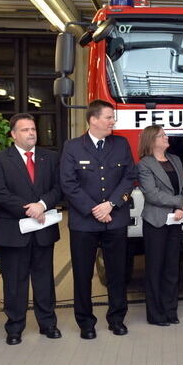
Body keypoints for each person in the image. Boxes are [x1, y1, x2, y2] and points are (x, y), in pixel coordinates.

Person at [59, 100, 136, 339]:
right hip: (84, 222)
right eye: (108, 117)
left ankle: (117, 319)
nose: (113, 121)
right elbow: (68, 184)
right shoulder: (72, 147)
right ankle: (86, 322)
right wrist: (94, 209)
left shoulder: (121, 144)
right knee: (83, 274)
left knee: (117, 272)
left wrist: (111, 204)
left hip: (115, 218)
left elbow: (129, 177)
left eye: (112, 118)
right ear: (93, 120)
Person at [0, 114, 62, 344]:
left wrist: (42, 205)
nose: (31, 133)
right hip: (13, 230)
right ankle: (15, 327)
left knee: (44, 280)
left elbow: (59, 187)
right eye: (25, 130)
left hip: (43, 228)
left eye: (33, 129)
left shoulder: (51, 157)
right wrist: (27, 209)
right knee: (15, 282)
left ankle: (48, 324)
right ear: (13, 134)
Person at [137, 125, 183, 326]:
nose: (166, 138)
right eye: (162, 135)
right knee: (155, 269)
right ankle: (155, 314)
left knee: (172, 268)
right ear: (152, 140)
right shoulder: (144, 165)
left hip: (176, 220)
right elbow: (151, 194)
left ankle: (170, 310)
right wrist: (179, 203)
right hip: (156, 222)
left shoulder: (175, 159)